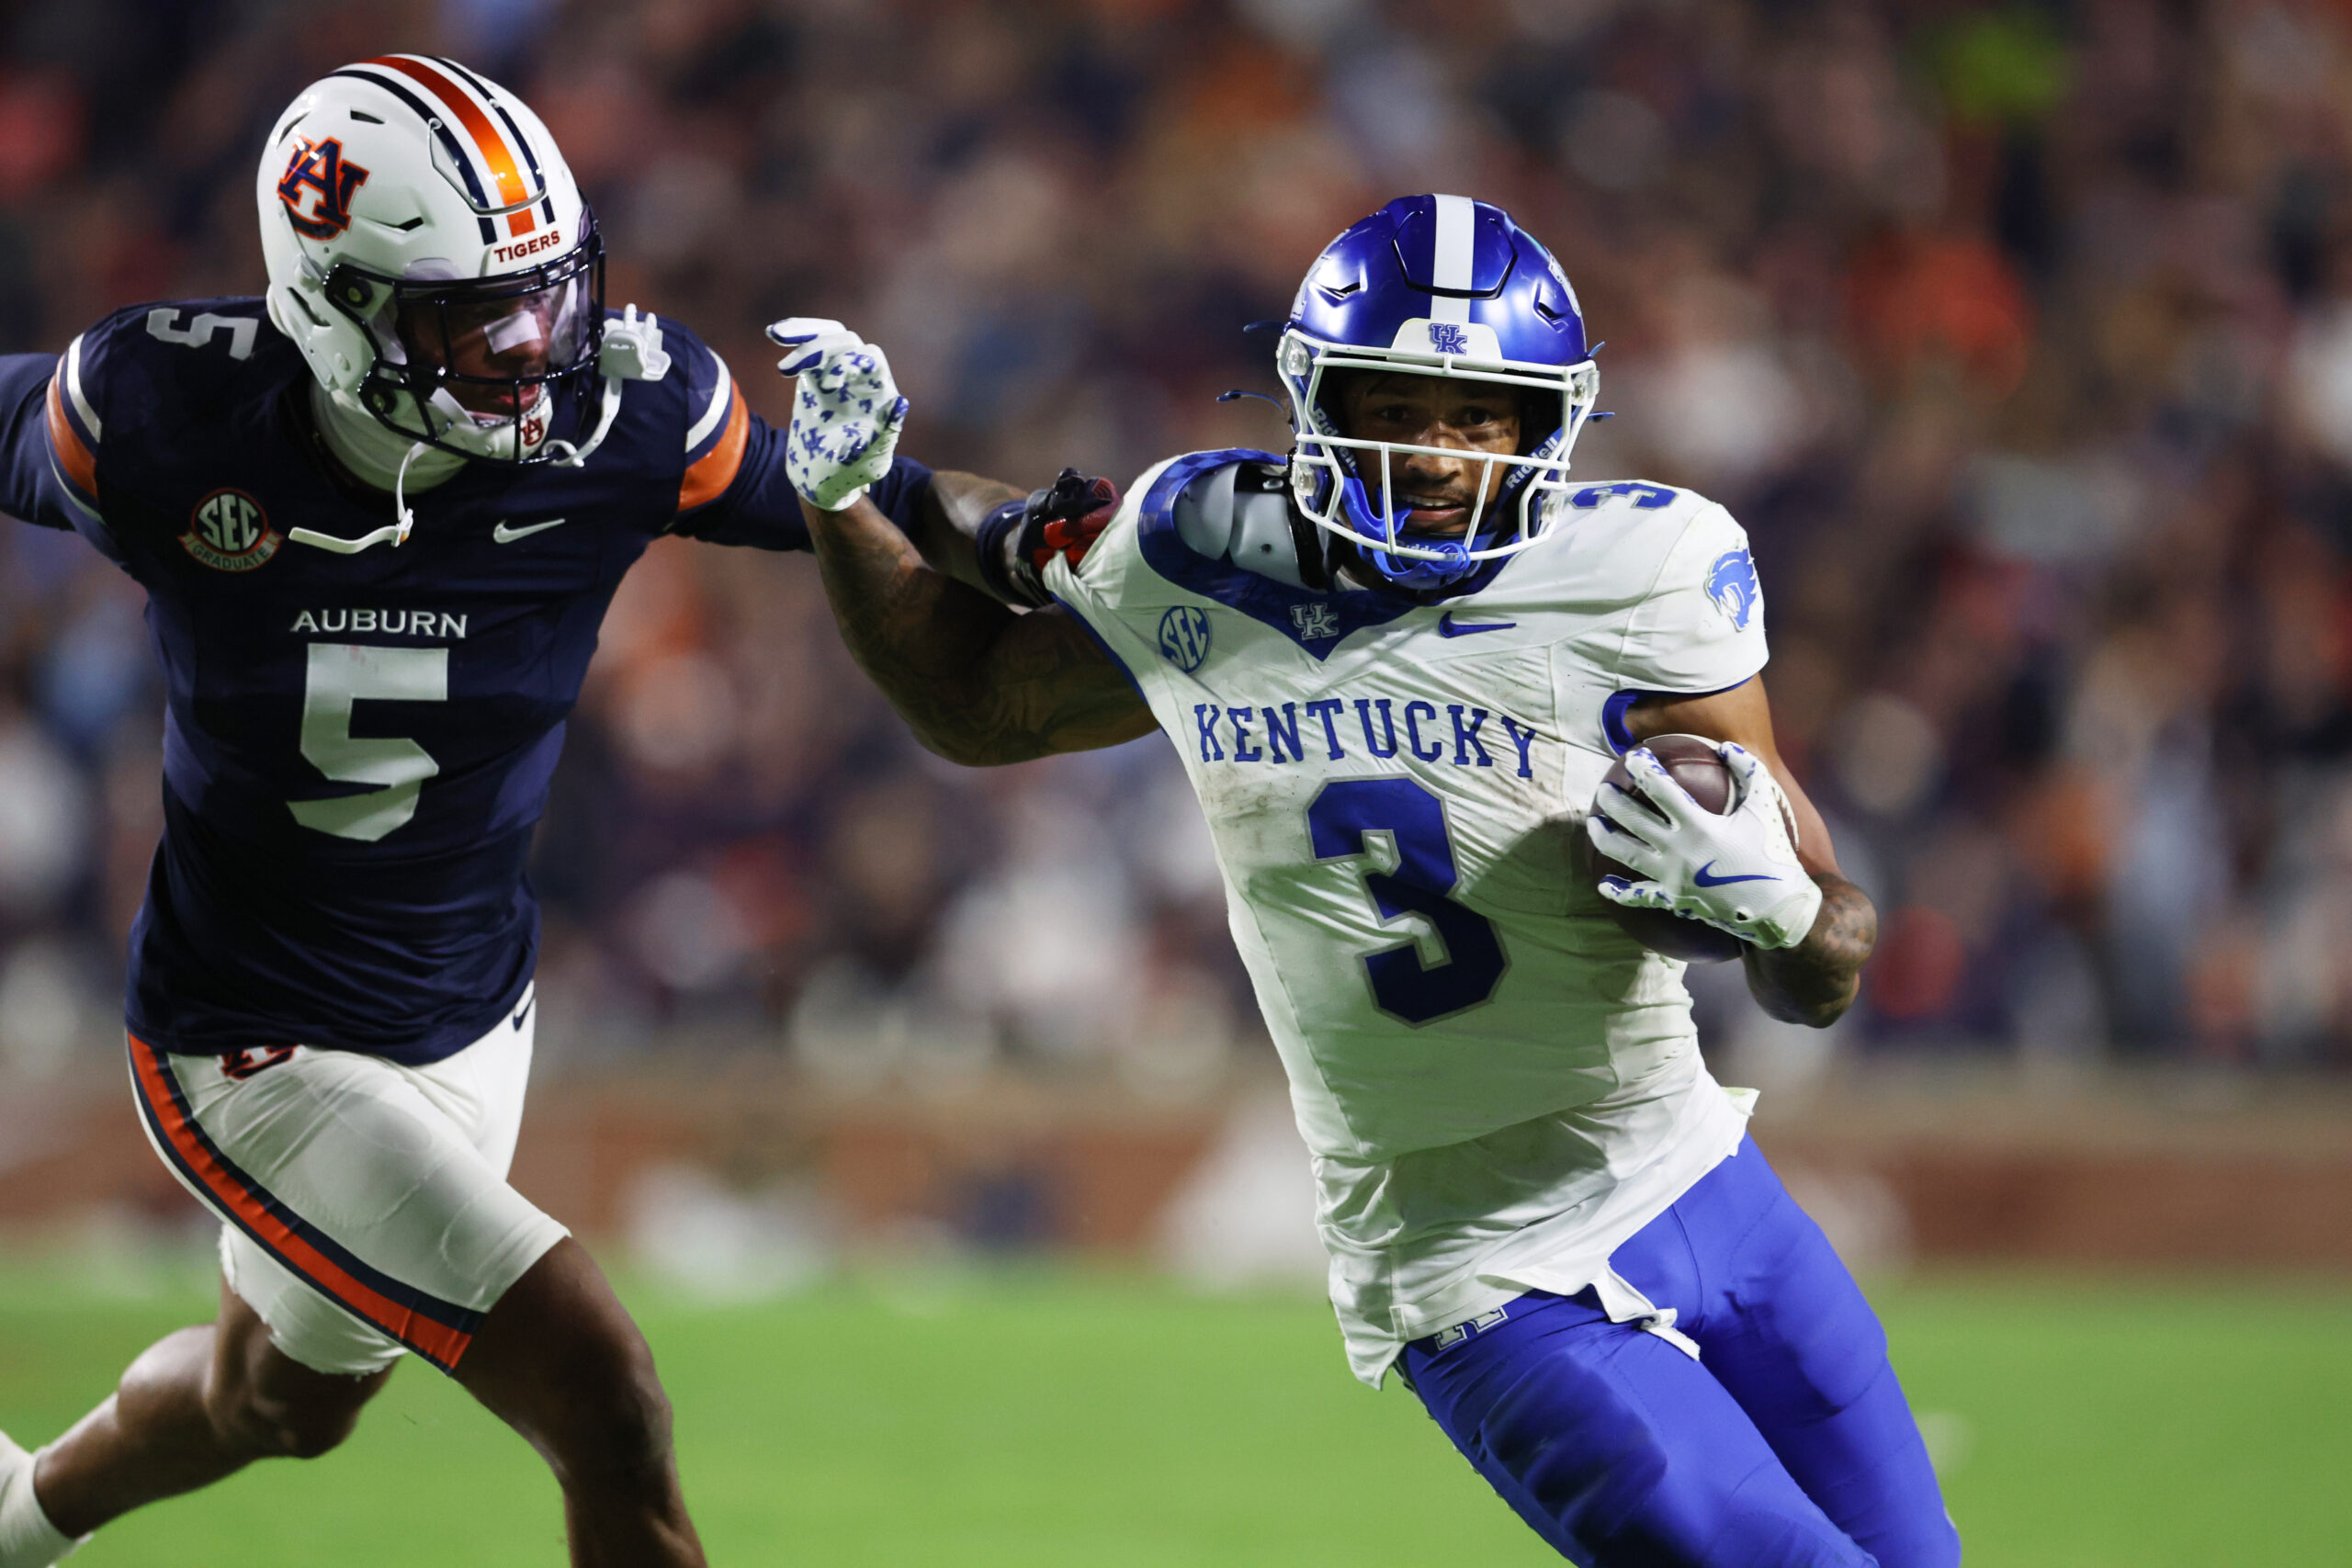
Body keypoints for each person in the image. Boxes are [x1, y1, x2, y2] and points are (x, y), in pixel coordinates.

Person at [0, 57, 1095, 1568]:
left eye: (548, 295)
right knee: (602, 1389)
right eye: (472, 315)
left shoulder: (624, 417)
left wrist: (1042, 532)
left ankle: (18, 1518)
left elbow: (879, 500)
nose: (532, 348)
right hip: (246, 1039)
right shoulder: (166, 412)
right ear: (332, 307)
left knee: (281, 1402)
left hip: (467, 1013)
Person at [783, 196, 1963, 1566]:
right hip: (1476, 1264)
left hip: (1706, 1180)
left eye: (1483, 415)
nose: (1444, 455)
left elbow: (1826, 959)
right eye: (1398, 406)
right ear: (1315, 402)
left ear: (1551, 422)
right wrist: (845, 498)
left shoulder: (1639, 573)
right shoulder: (1206, 553)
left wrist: (1775, 910)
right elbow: (979, 689)